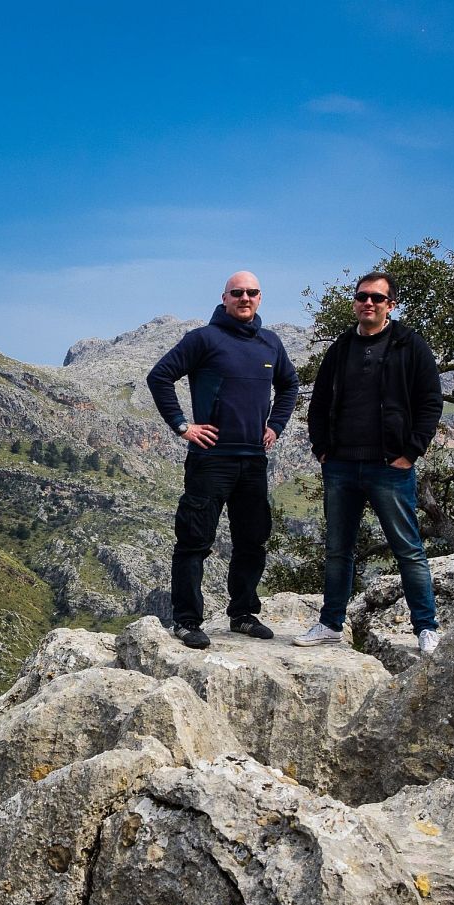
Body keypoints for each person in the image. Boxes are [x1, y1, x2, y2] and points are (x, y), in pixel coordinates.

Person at [147, 270, 300, 649]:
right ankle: (186, 622)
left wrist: (275, 425)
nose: (245, 298)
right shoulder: (203, 339)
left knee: (252, 540)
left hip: (253, 461)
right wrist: (183, 426)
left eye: (252, 292)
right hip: (210, 459)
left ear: (260, 297)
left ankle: (243, 614)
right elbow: (160, 376)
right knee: (194, 541)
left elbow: (290, 385)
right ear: (225, 297)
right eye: (238, 293)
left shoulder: (271, 344)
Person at [297, 271, 445, 654]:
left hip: (389, 467)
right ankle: (330, 624)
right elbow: (318, 403)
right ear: (355, 302)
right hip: (341, 465)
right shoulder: (341, 348)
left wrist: (411, 452)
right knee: (337, 549)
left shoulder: (410, 346)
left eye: (377, 298)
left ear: (390, 305)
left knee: (408, 549)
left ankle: (426, 628)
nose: (368, 303)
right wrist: (322, 448)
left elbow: (430, 401)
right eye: (362, 297)